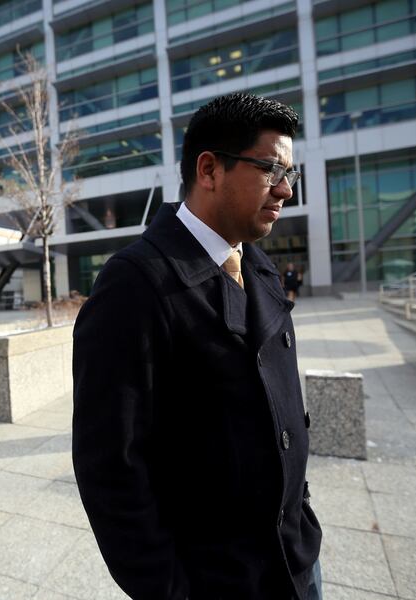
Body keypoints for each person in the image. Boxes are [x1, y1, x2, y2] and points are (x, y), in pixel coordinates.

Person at [72, 93, 323, 600]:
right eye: (272, 168)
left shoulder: (258, 265)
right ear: (209, 169)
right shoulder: (135, 284)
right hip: (215, 583)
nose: (286, 189)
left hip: (294, 560)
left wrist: (300, 512)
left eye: (290, 173)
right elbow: (110, 468)